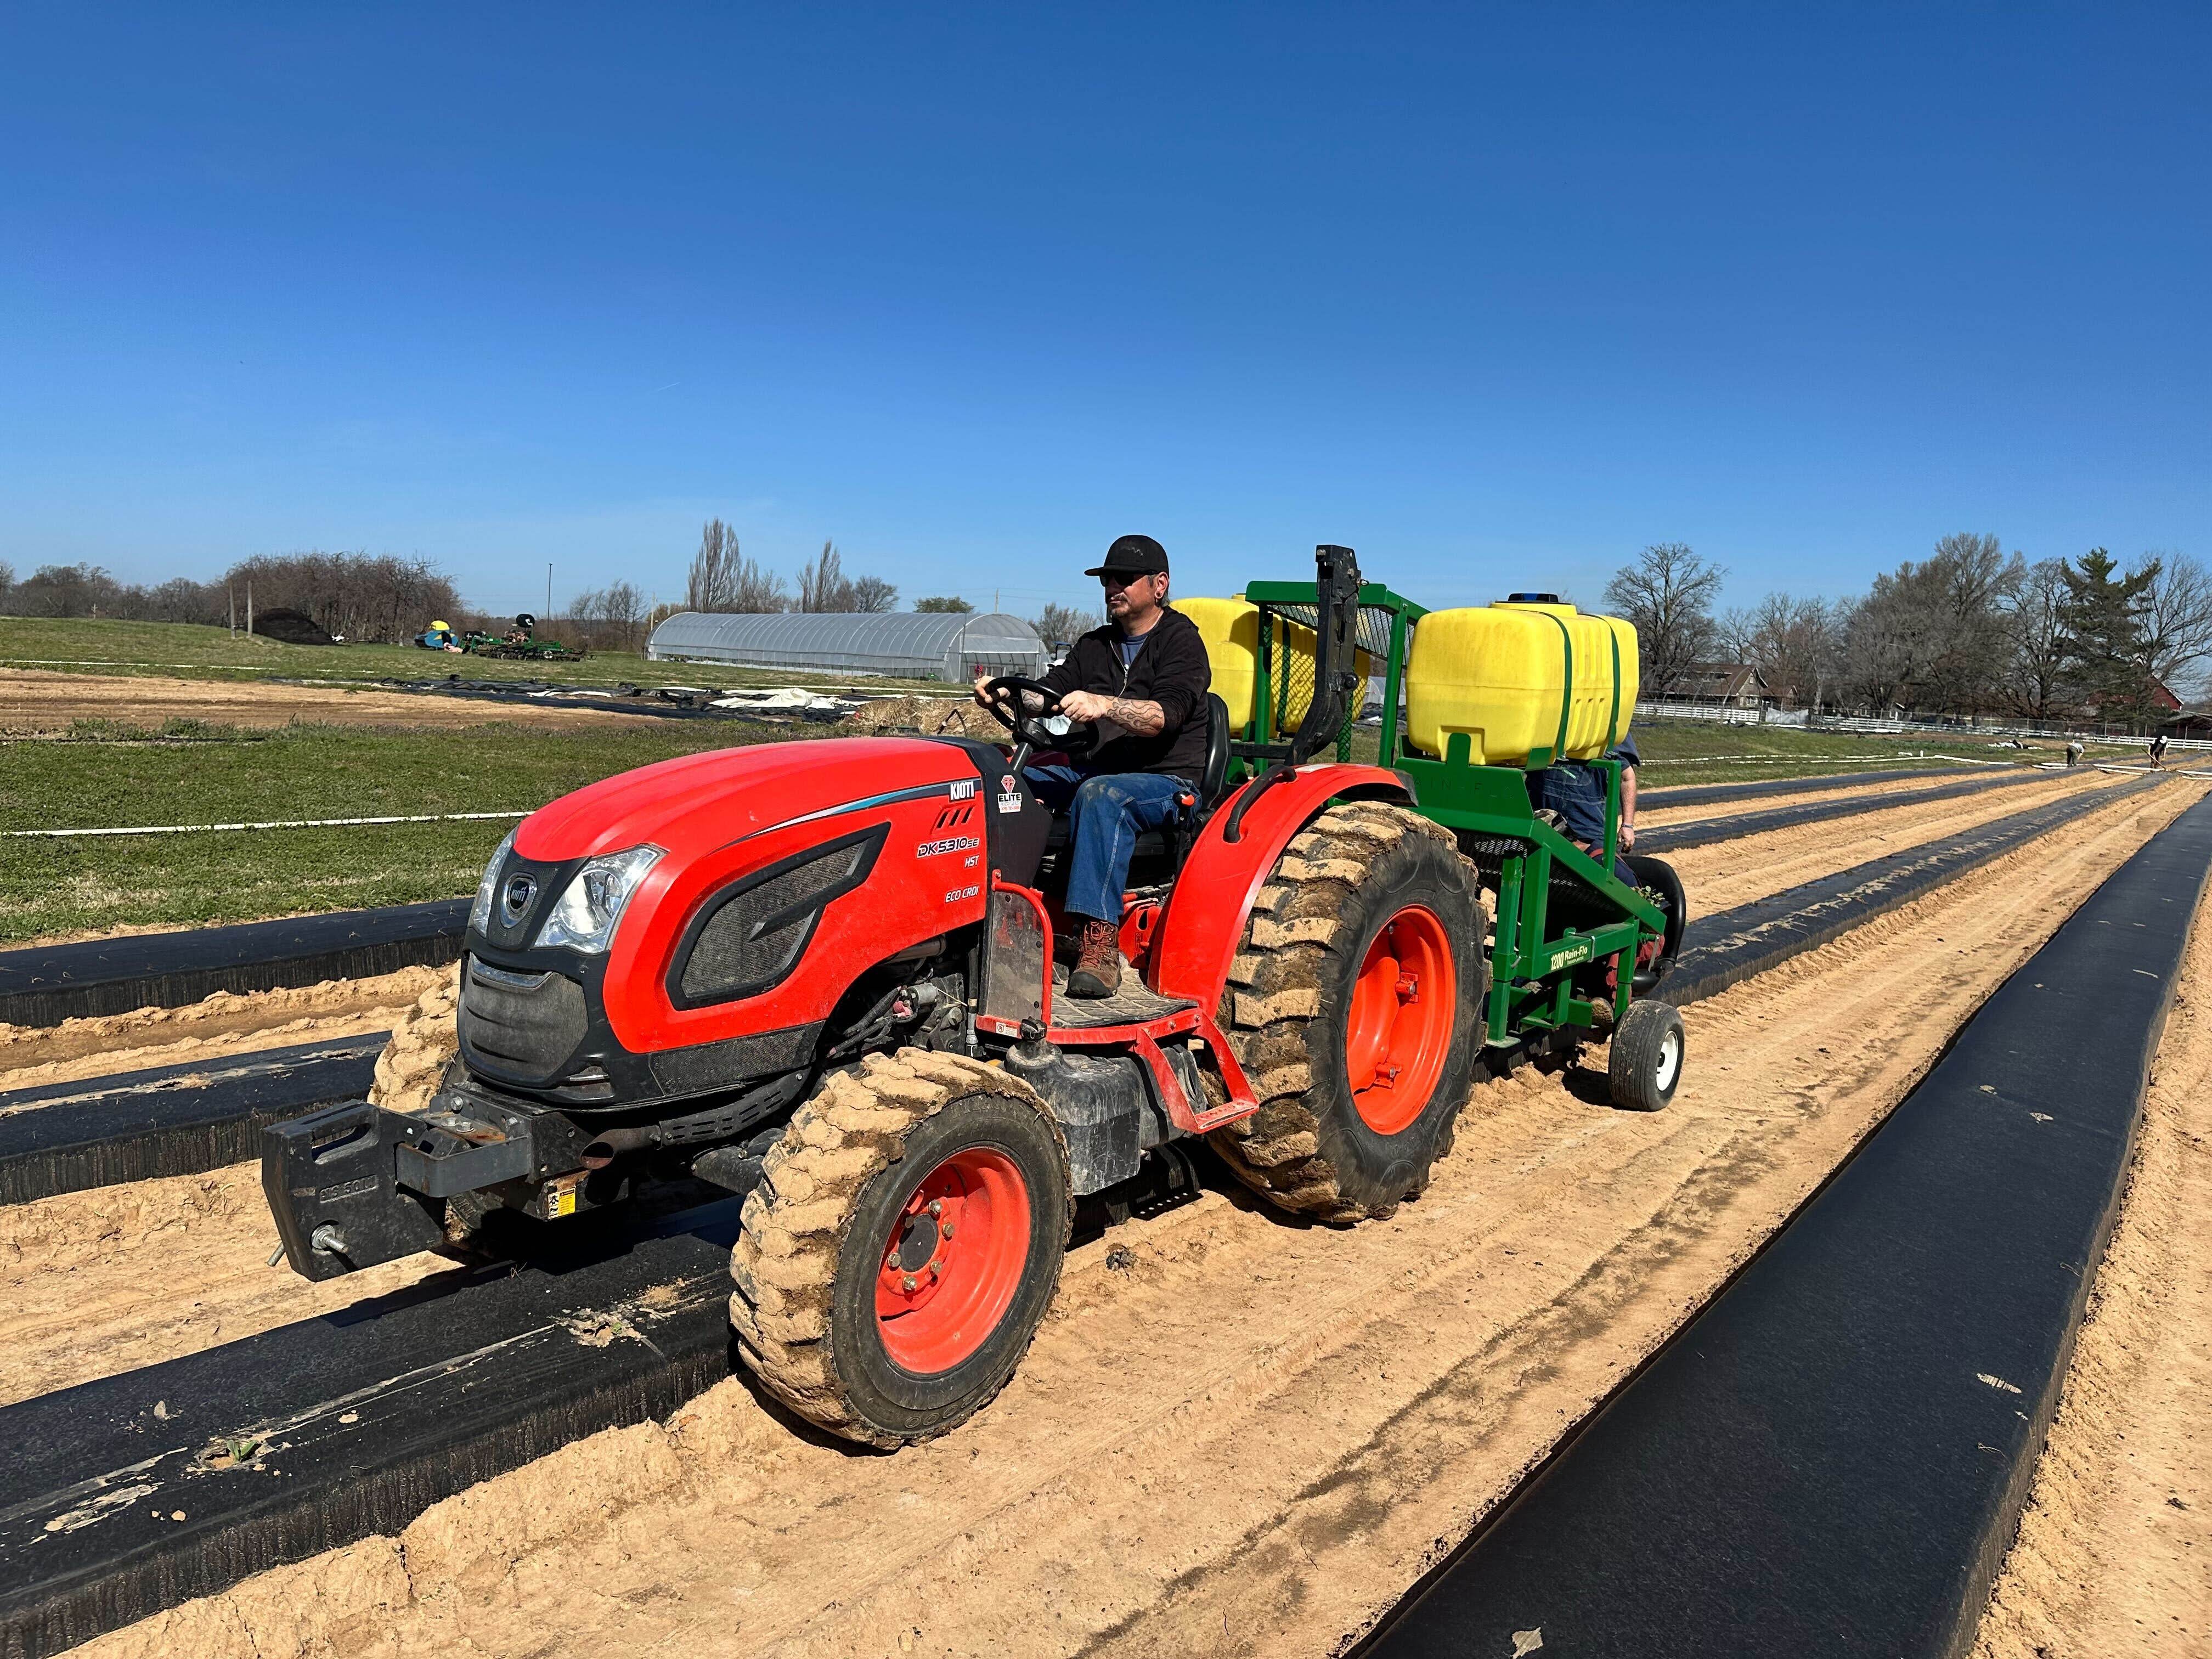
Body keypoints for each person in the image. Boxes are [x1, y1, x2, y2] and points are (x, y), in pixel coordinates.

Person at [975, 534, 1212, 998]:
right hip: (1095, 770)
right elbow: (1047, 692)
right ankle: (993, 911)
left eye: (1124, 579)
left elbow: (1166, 716)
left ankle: (1098, 946)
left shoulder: (1182, 643)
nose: (1112, 588)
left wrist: (1104, 704)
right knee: (1001, 780)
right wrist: (1004, 692)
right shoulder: (1095, 645)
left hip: (1166, 779)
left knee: (1101, 796)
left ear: (1159, 585)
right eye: (1107, 580)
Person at [1528, 731, 1640, 886]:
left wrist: (1627, 825)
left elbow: (1627, 777)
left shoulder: (1608, 726)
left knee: (1613, 882)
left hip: (1587, 827)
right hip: (1543, 820)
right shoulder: (1548, 720)